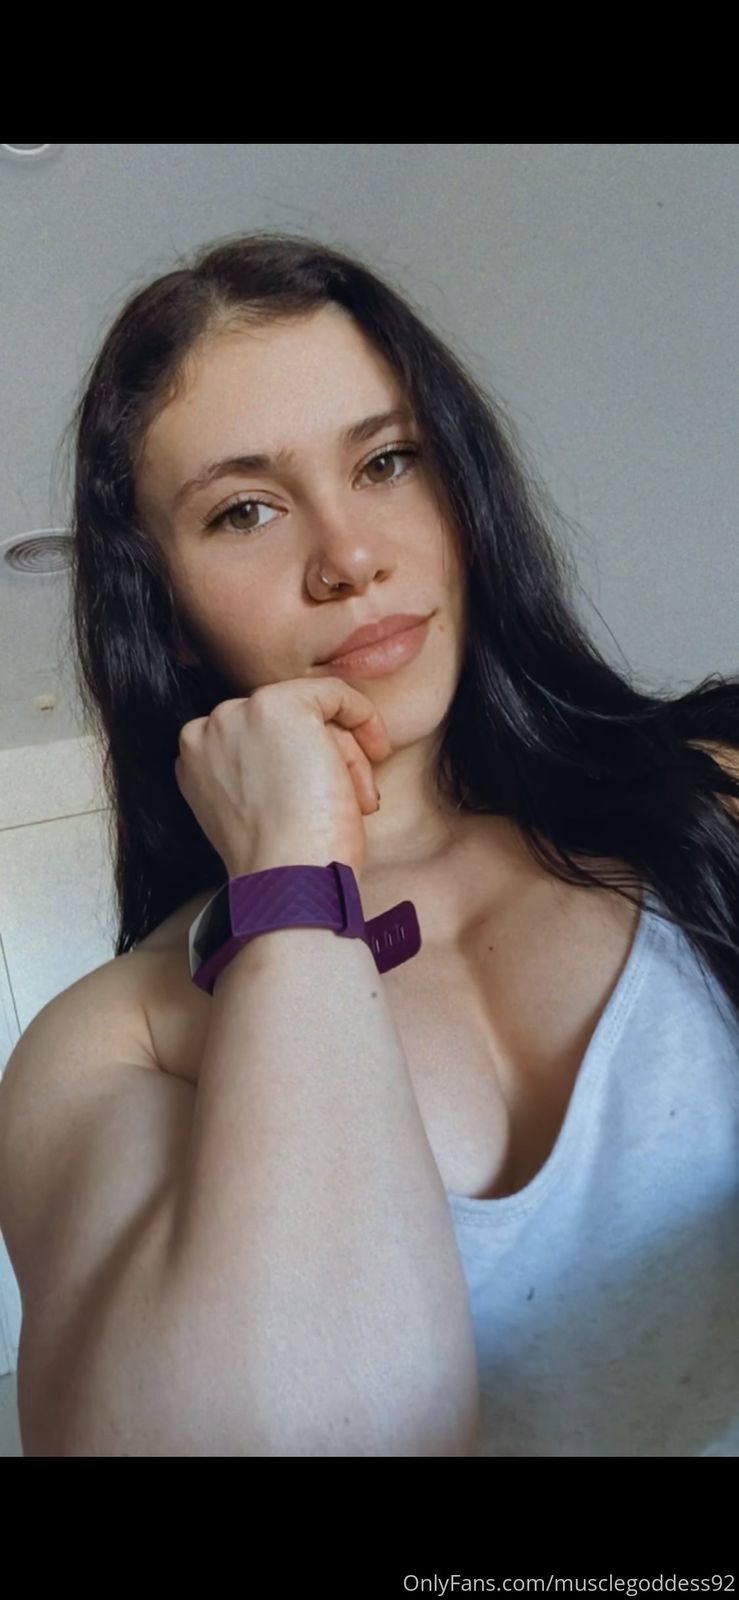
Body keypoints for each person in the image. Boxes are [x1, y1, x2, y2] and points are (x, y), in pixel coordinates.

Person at [1, 232, 738, 1456]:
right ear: (166, 611)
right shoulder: (111, 1039)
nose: (349, 557)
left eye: (387, 460)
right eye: (244, 510)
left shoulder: (713, 796)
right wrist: (289, 883)